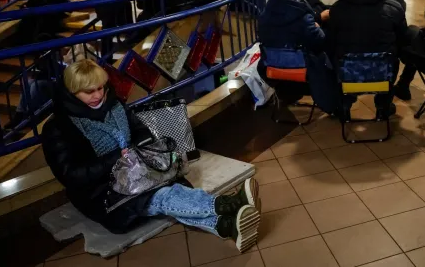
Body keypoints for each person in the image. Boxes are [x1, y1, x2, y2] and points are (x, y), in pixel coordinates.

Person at [42, 60, 261, 251]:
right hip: (101, 192)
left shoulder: (114, 105)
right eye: (90, 92)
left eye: (101, 88)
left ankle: (227, 226)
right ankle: (228, 204)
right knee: (160, 196)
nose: (98, 95)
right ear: (72, 92)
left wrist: (138, 148)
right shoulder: (59, 128)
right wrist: (116, 159)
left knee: (165, 192)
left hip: (137, 170)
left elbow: (141, 131)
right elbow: (70, 176)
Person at [327, 0, 408, 118]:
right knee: (392, 57)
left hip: (348, 75)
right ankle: (383, 106)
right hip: (383, 75)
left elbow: (330, 42)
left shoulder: (338, 8)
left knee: (337, 56)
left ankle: (344, 105)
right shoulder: (394, 7)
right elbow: (403, 40)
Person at [257, 0, 326, 104]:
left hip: (271, 70)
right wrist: (318, 28)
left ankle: (286, 95)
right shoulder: (304, 17)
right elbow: (320, 42)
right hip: (302, 70)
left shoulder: (263, 17)